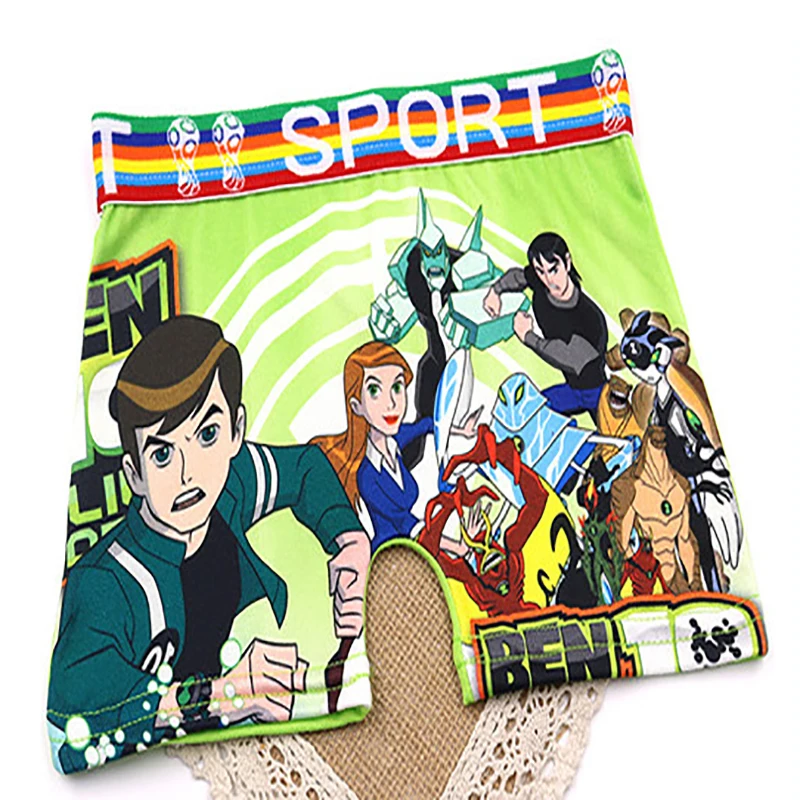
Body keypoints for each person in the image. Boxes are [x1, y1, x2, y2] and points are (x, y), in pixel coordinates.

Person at [47, 315, 370, 773]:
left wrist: (349, 541)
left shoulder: (231, 481)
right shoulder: (107, 581)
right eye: (162, 453)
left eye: (206, 434)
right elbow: (75, 707)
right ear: (134, 474)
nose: (189, 473)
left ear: (236, 431)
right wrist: (224, 695)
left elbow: (305, 470)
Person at [311, 341, 479, 552]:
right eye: (374, 390)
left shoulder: (395, 440)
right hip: (390, 557)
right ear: (357, 406)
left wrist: (461, 430)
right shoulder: (367, 475)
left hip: (416, 545)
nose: (391, 403)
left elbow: (429, 424)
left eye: (397, 387)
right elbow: (406, 523)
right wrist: (457, 547)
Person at [483, 232, 608, 421]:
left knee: (610, 433)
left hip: (593, 393)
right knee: (530, 414)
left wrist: (528, 337)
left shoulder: (591, 318)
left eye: (554, 270)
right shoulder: (541, 284)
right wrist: (496, 290)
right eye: (540, 271)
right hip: (571, 389)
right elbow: (519, 276)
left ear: (567, 262)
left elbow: (568, 357)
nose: (549, 280)